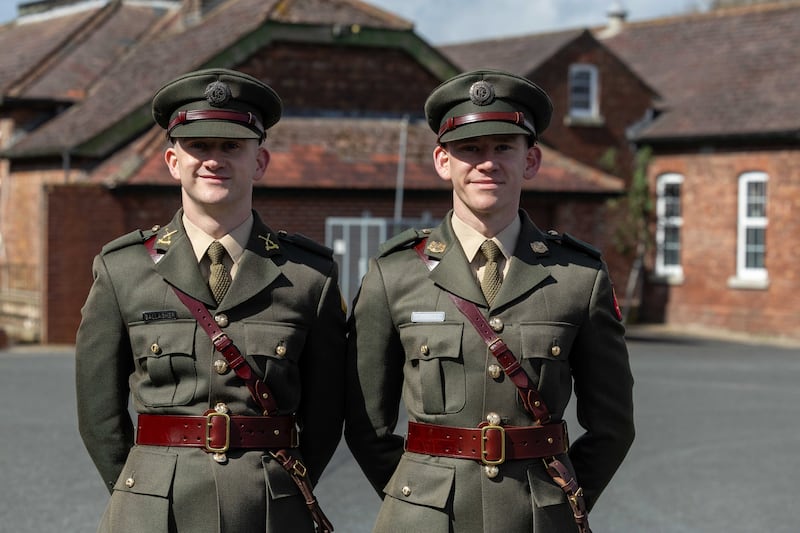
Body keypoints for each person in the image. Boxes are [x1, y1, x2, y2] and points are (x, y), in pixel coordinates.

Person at [344, 68, 635, 532]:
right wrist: (417, 500)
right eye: (470, 149)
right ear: (443, 161)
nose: (487, 163)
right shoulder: (393, 274)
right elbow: (365, 424)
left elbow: (613, 425)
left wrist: (564, 498)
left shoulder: (579, 276)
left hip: (539, 516)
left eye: (504, 147)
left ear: (531, 160)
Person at [75, 68, 347, 533]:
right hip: (153, 510)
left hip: (270, 509)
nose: (214, 160)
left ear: (259, 162)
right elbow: (97, 412)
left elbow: (325, 416)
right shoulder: (122, 269)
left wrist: (279, 486)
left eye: (232, 147)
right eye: (199, 146)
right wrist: (141, 491)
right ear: (171, 160)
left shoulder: (308, 275)